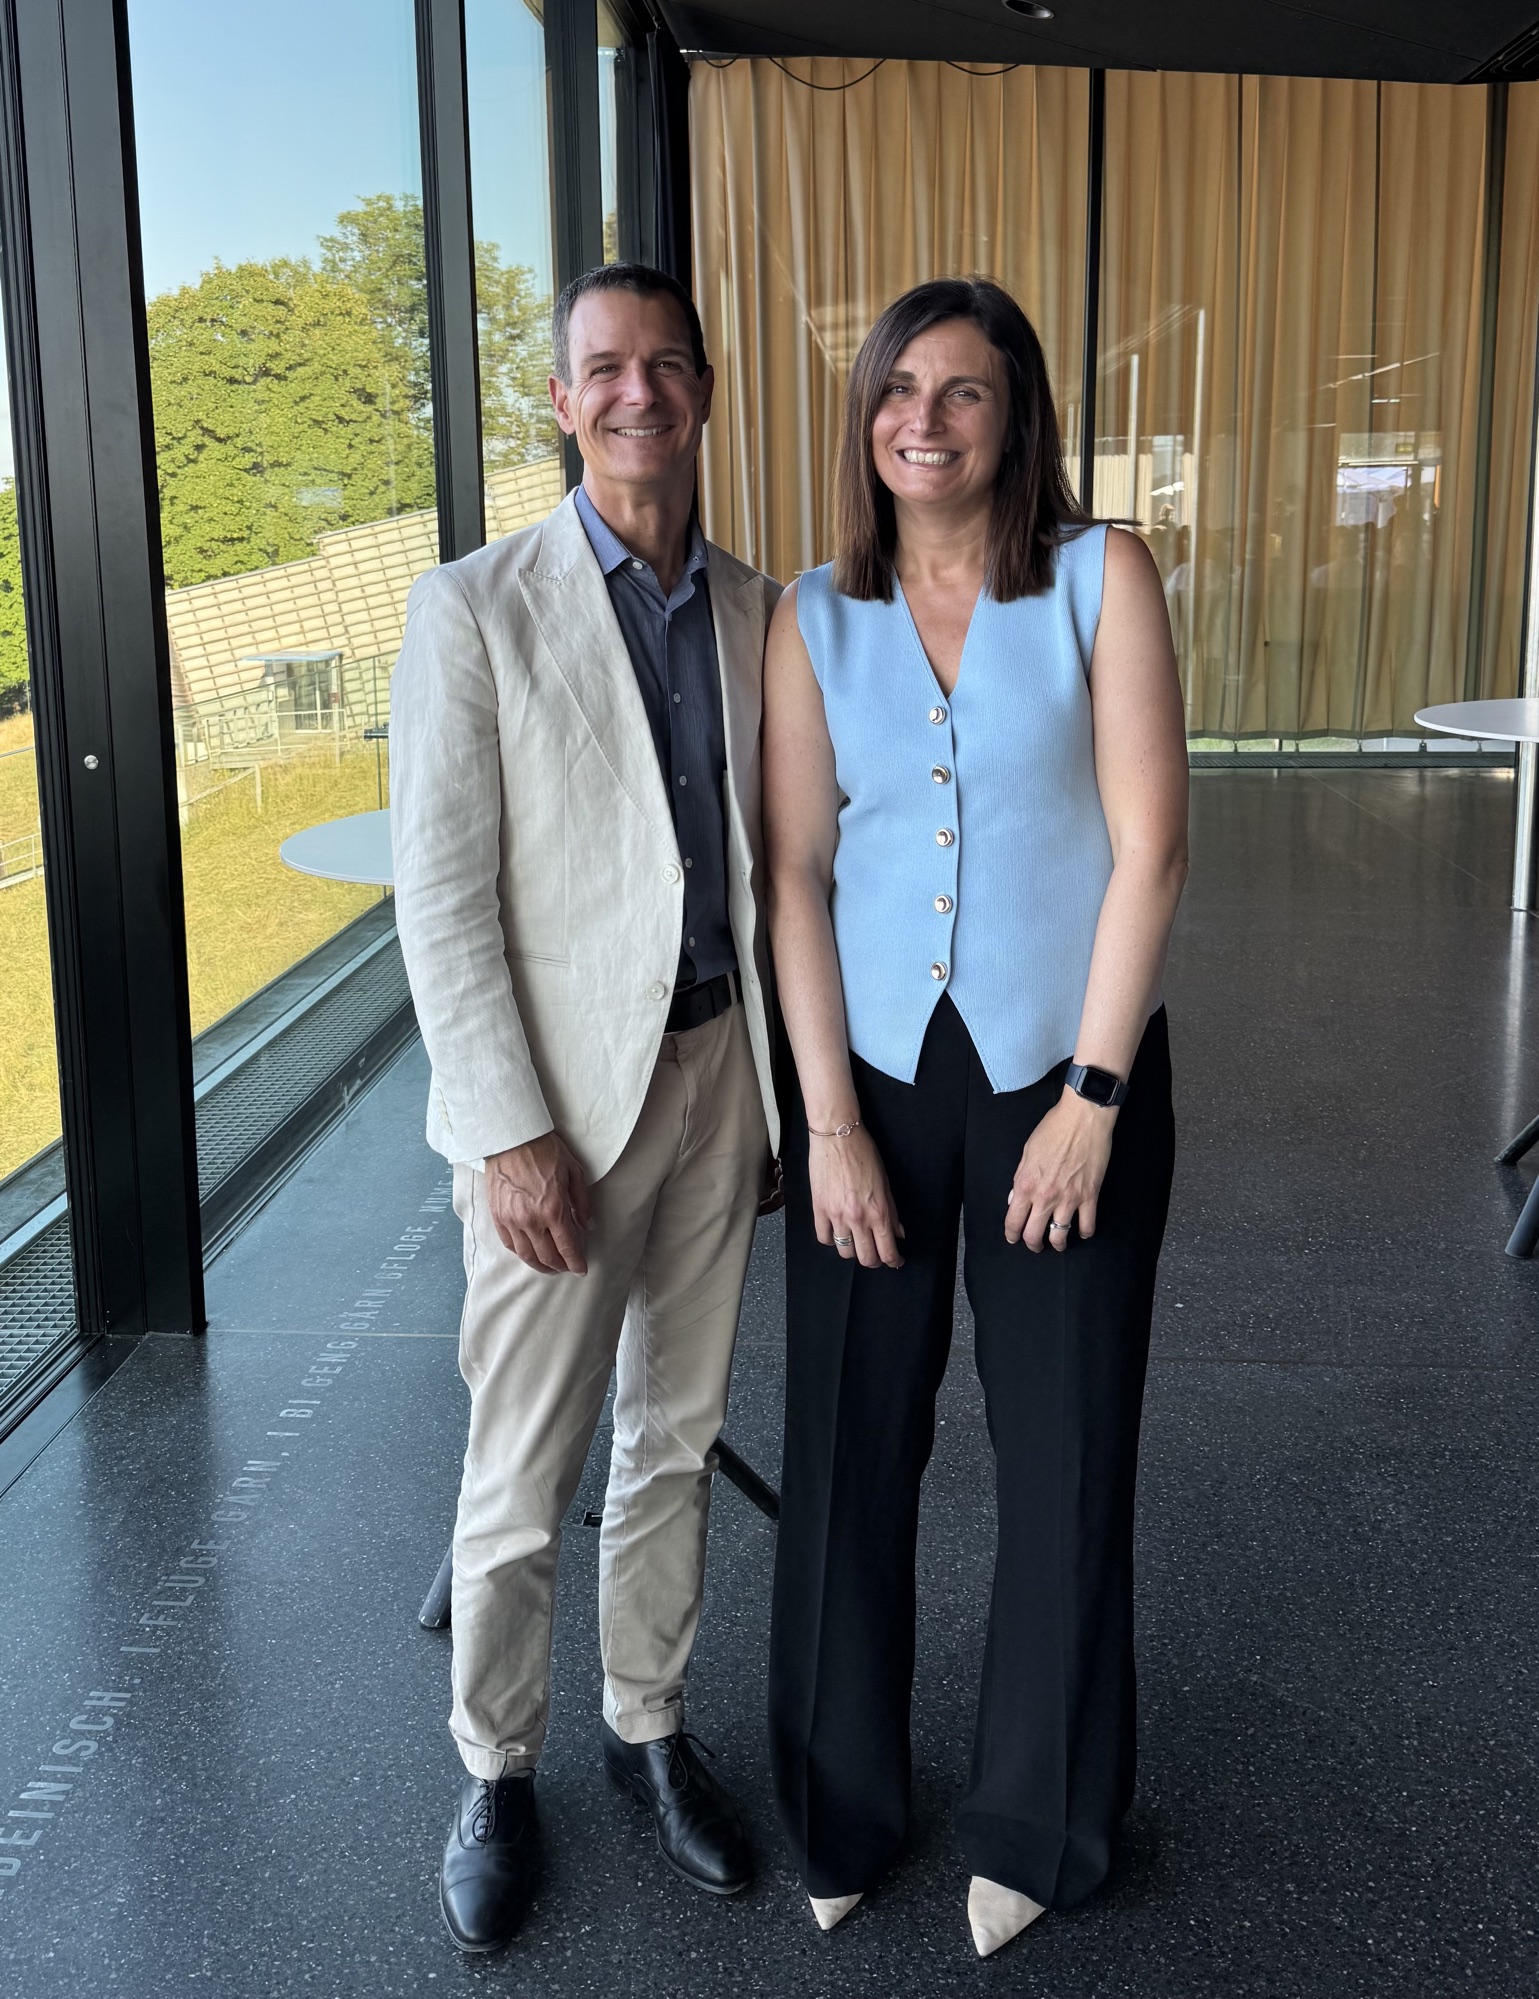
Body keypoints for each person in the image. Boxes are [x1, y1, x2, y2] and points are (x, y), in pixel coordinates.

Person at [763, 277, 1188, 1957]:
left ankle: (1043, 1817)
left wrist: (1094, 1095)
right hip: (867, 1077)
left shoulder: (1100, 576)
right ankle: (839, 1804)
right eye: (898, 390)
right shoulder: (815, 614)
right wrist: (828, 1128)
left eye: (963, 392)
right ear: (865, 415)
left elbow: (1152, 847)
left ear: (1017, 419)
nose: (923, 421)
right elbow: (796, 875)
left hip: (1064, 1073)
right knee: (848, 1442)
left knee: (1064, 1449)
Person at [390, 262, 781, 1956]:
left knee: (674, 1438)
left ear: (703, 390)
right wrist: (505, 1132)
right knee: (521, 1469)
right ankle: (495, 1767)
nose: (638, 393)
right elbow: (440, 899)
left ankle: (647, 1725)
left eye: (665, 364)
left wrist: (781, 1104)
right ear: (562, 402)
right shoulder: (475, 609)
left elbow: (779, 870)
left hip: (718, 1078)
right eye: (603, 368)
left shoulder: (761, 611)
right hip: (555, 1113)